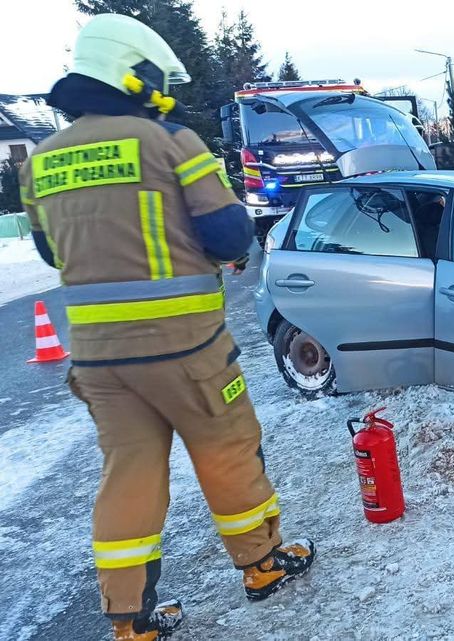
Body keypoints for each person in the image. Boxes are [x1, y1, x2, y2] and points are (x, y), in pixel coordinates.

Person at [19, 14, 314, 640]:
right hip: (187, 348)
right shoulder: (170, 142)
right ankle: (261, 564)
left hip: (99, 360)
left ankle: (129, 622)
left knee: (129, 471)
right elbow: (231, 234)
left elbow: (51, 255)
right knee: (227, 450)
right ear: (134, 73)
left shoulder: (40, 160)